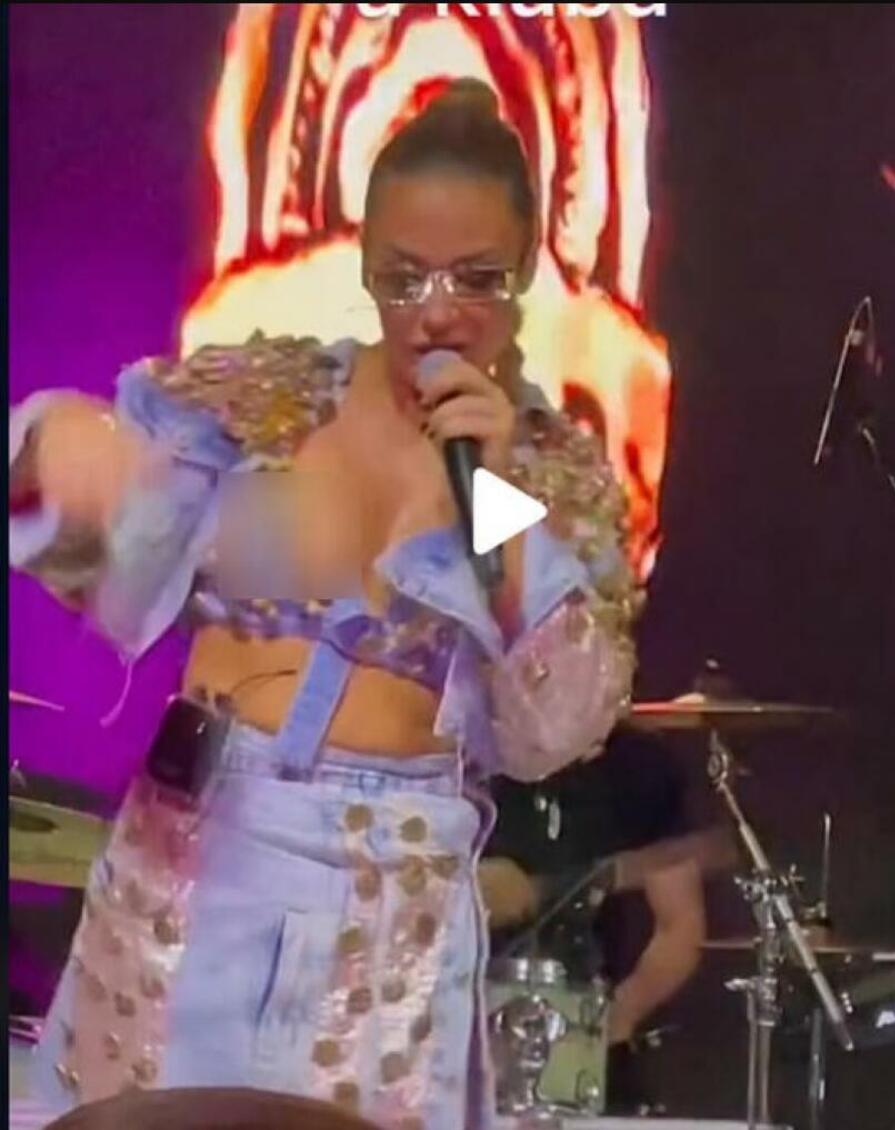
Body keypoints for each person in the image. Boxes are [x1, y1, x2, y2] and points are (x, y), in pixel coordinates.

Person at [8, 79, 640, 1130]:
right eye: (403, 276)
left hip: (390, 906)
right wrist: (66, 472)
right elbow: (107, 551)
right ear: (365, 264)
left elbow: (554, 731)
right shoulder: (264, 402)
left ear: (529, 265)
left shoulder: (550, 479)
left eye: (476, 278)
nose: (436, 310)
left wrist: (494, 501)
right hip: (200, 860)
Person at [480, 724, 726, 1061]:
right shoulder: (469, 759)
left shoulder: (640, 769)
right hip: (467, 1025)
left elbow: (680, 926)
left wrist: (616, 1017)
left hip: (585, 1024)